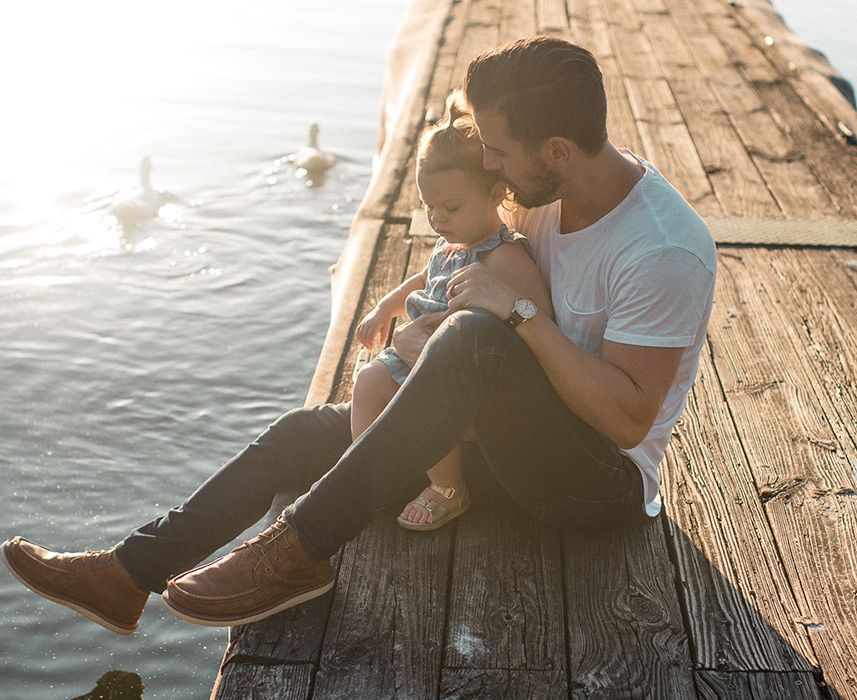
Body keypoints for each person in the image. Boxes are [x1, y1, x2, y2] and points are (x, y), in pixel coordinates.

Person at [1, 35, 715, 635]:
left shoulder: (661, 247)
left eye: (497, 151)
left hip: (592, 484)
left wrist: (512, 317)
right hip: (498, 441)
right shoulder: (539, 198)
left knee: (473, 338)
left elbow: (626, 422)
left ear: (557, 150)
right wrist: (419, 324)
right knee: (300, 434)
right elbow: (470, 273)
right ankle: (128, 574)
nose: (488, 165)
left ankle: (299, 550)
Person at [352, 90, 553, 530]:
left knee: (427, 404)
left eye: (451, 207)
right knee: (367, 381)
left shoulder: (502, 256)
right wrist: (386, 308)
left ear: (498, 192)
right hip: (419, 350)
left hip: (461, 375)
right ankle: (369, 475)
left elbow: (538, 319)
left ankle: (449, 487)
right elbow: (424, 279)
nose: (437, 220)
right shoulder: (451, 244)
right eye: (429, 209)